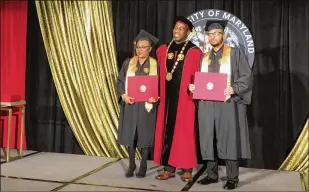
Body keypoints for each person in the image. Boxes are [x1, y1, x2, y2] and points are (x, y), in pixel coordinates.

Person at [189, 20, 253, 190]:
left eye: (217, 33)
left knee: (229, 139)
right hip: (207, 105)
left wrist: (234, 88)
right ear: (207, 37)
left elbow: (246, 76)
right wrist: (195, 87)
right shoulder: (204, 57)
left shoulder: (234, 53)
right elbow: (203, 82)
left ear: (223, 35)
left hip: (227, 104)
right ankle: (211, 174)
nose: (213, 36)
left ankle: (232, 177)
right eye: (210, 34)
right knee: (207, 138)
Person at [154, 16, 203, 182]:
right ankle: (169, 168)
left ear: (188, 32)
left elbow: (199, 75)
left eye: (181, 29)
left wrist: (196, 89)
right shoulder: (163, 50)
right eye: (175, 28)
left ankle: (187, 169)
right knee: (168, 133)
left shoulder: (193, 51)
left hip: (185, 100)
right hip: (167, 100)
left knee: (185, 133)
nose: (176, 31)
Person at [117, 29, 159, 178]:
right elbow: (121, 81)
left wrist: (155, 97)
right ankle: (132, 163)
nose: (140, 50)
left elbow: (159, 86)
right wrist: (123, 95)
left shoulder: (156, 65)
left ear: (150, 49)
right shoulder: (128, 63)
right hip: (131, 104)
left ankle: (144, 165)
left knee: (145, 135)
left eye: (143, 47)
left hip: (147, 106)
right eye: (138, 47)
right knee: (131, 135)